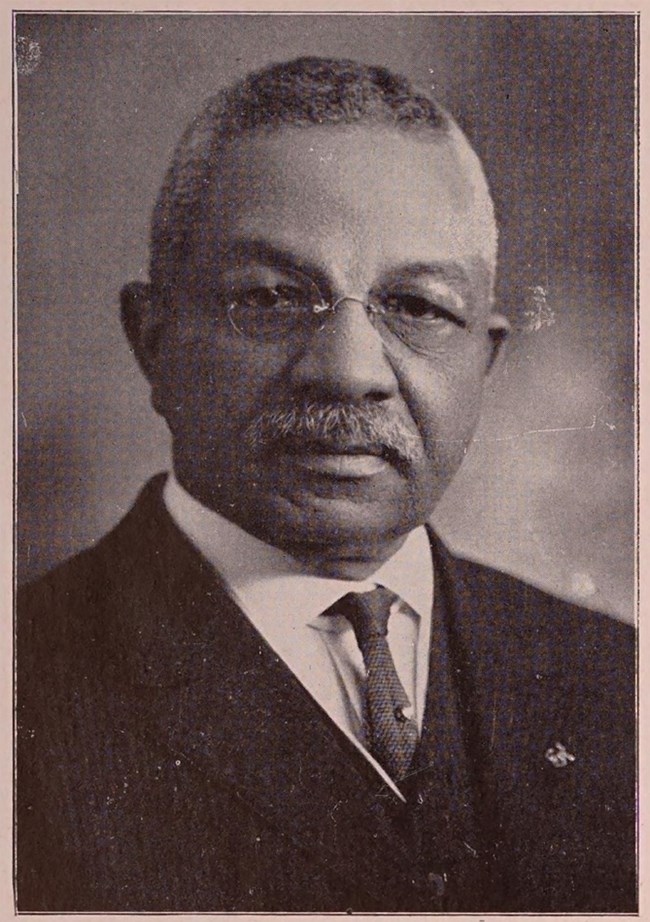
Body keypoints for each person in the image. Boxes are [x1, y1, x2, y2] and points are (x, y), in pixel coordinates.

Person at [16, 56, 636, 913]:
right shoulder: (28, 690)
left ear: (483, 359)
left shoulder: (616, 682)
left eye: (417, 307)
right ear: (152, 341)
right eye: (270, 297)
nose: (349, 373)